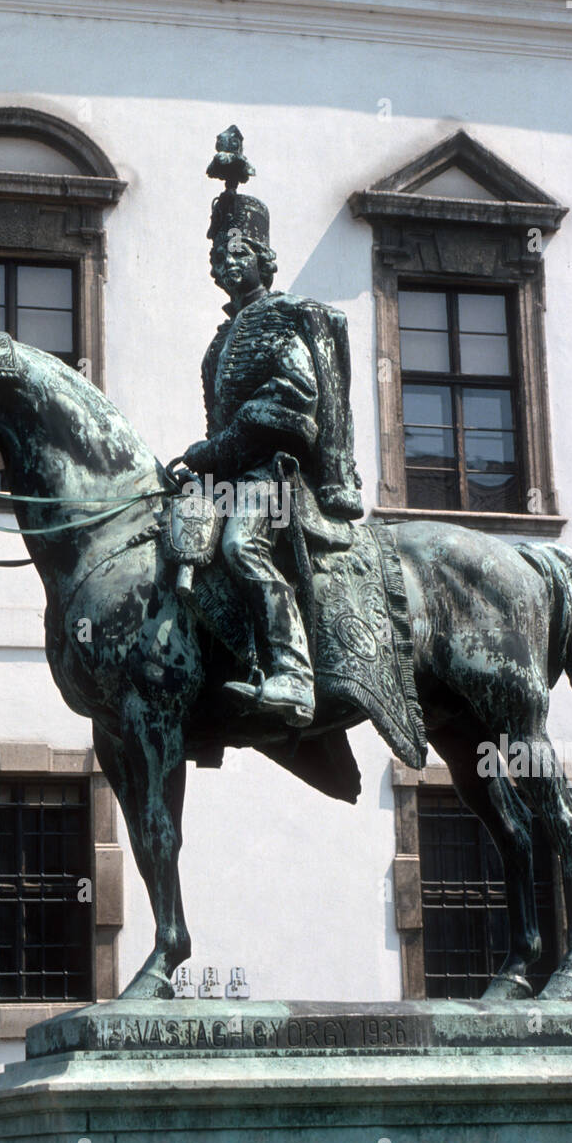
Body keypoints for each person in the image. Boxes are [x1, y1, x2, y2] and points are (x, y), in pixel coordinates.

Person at [180, 127, 362, 728]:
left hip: (278, 479)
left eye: (237, 254)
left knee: (240, 543)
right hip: (232, 476)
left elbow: (293, 401)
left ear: (264, 258)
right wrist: (200, 465)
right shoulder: (217, 343)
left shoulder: (283, 320)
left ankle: (293, 674)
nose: (225, 263)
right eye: (217, 257)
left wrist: (217, 450)